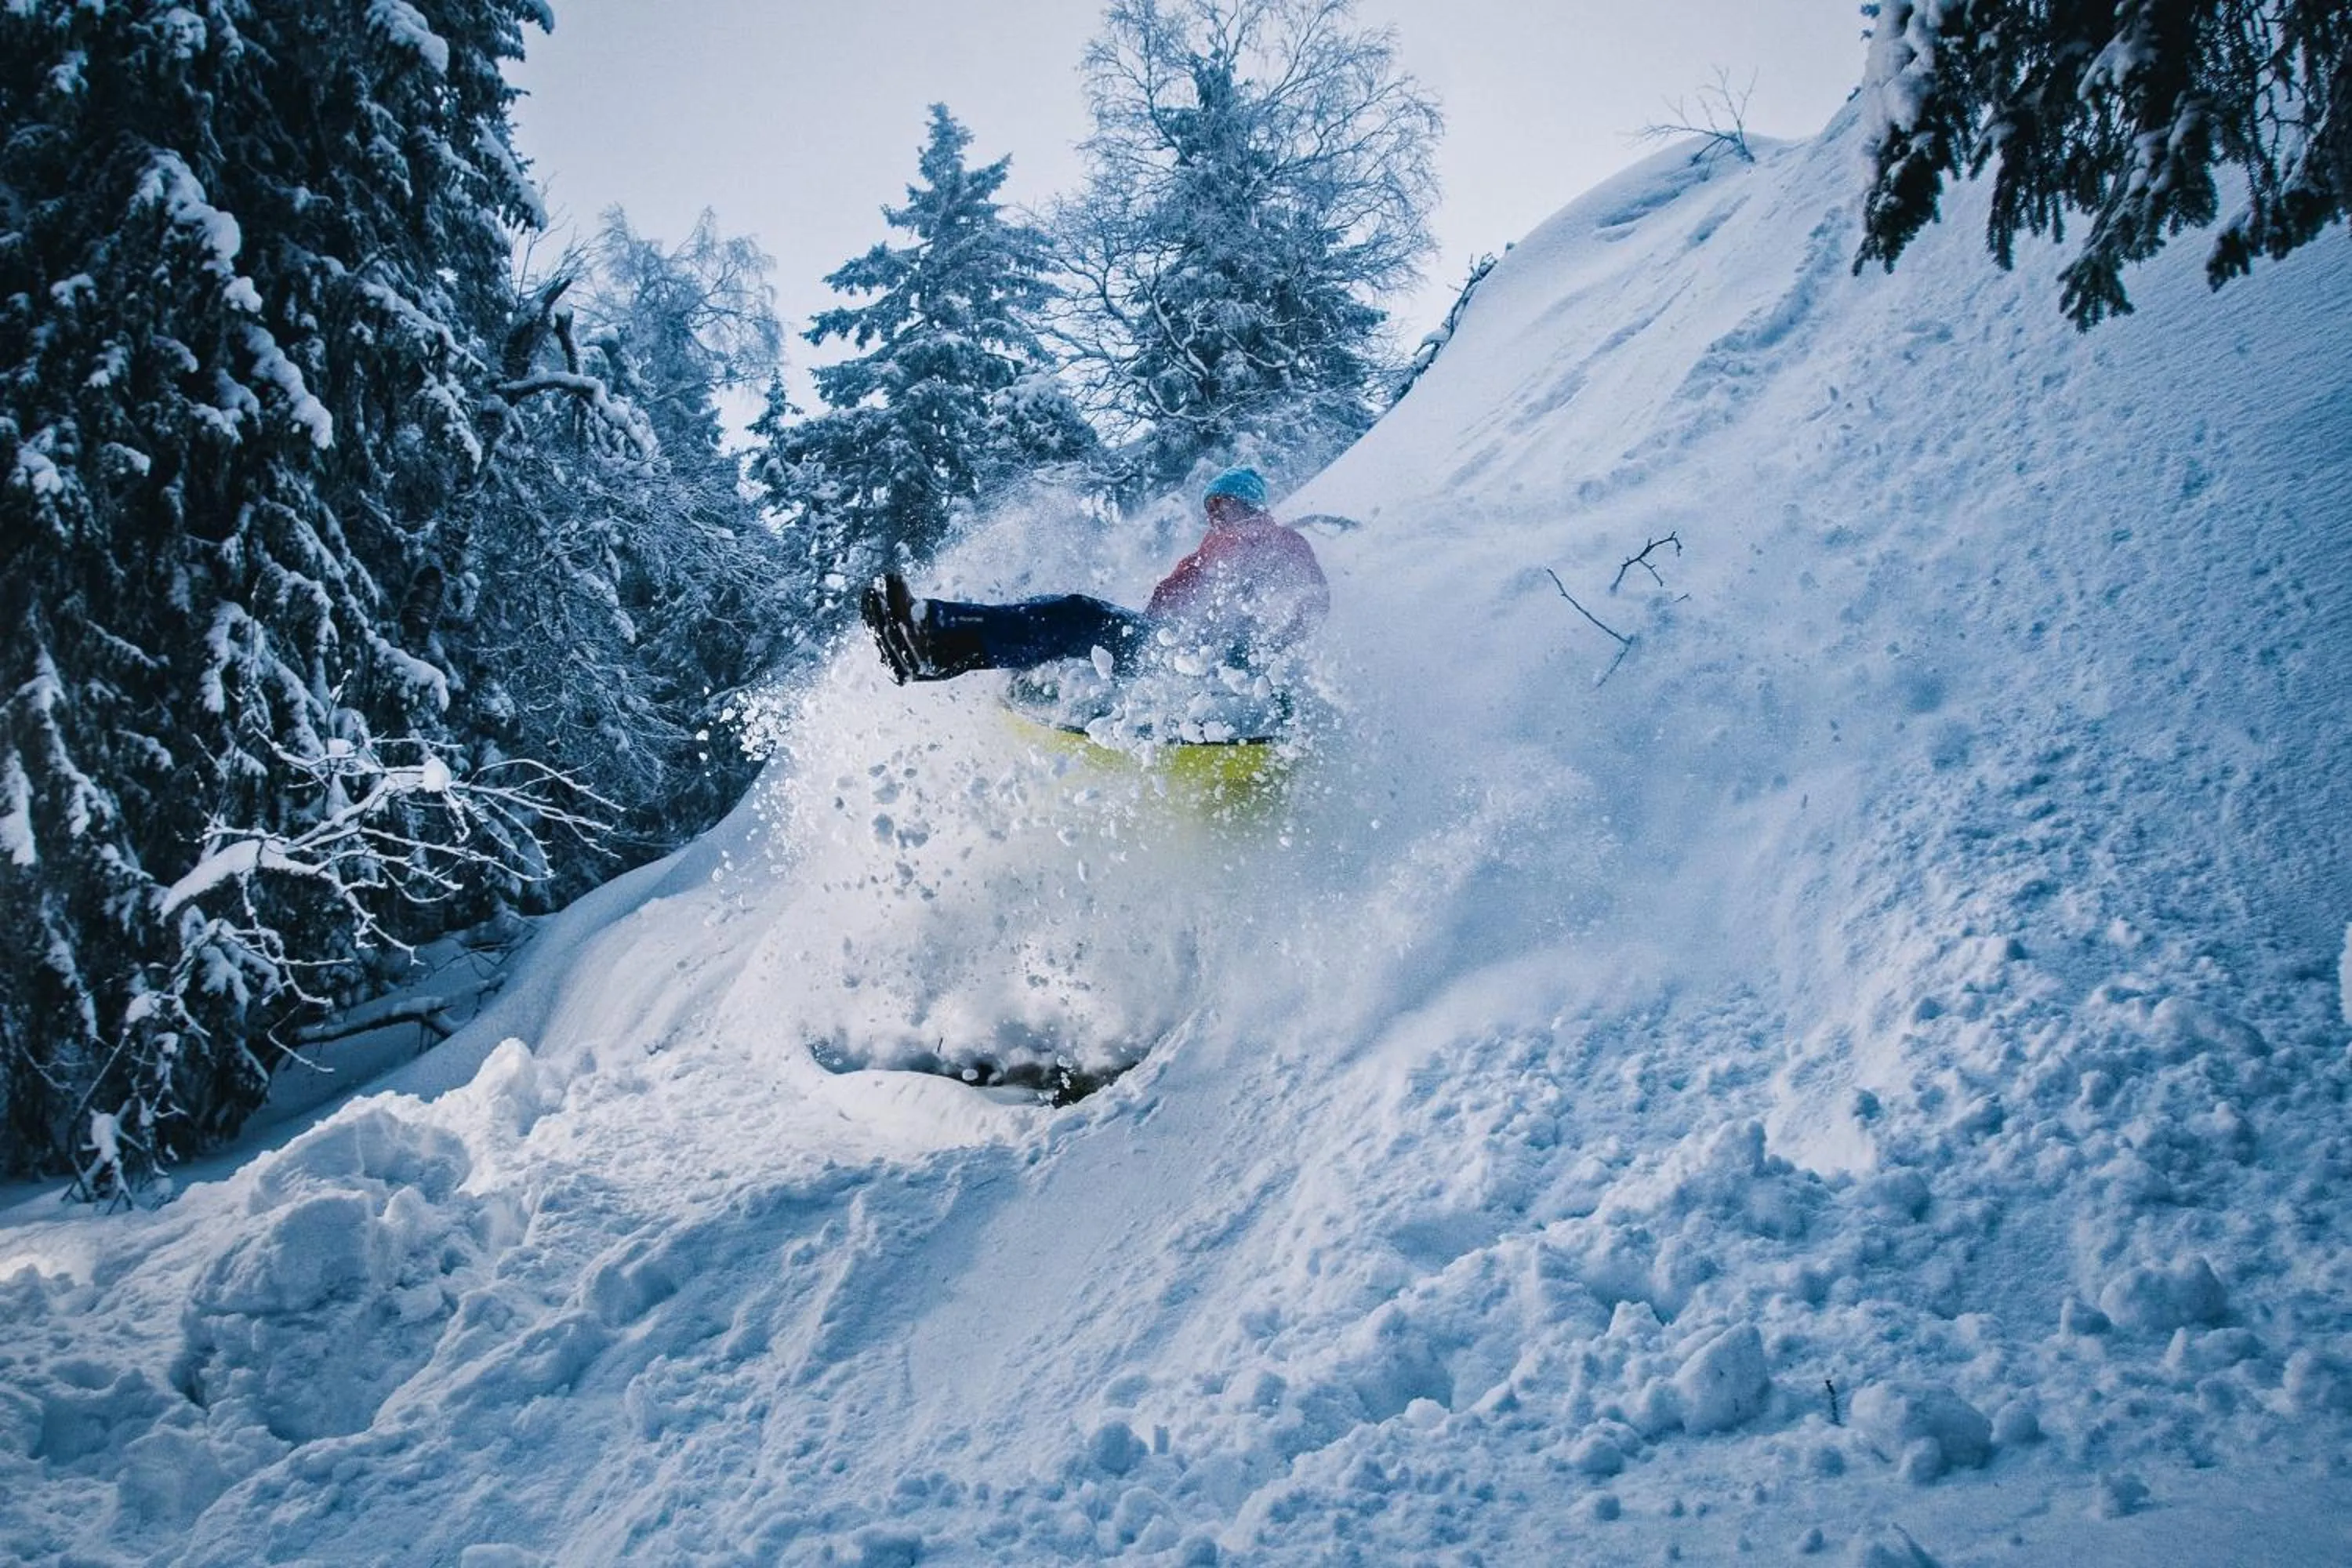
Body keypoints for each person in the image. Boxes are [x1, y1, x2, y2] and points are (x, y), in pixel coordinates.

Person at [860, 466, 1330, 685]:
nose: (1215, 513)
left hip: (1198, 660)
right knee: (1065, 615)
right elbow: (1171, 602)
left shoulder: (1276, 543)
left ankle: (932, 632)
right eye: (1210, 506)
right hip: (1167, 645)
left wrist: (1270, 649)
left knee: (1075, 615)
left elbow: (1311, 601)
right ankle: (935, 644)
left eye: (1222, 503)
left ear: (1248, 504)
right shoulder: (1214, 549)